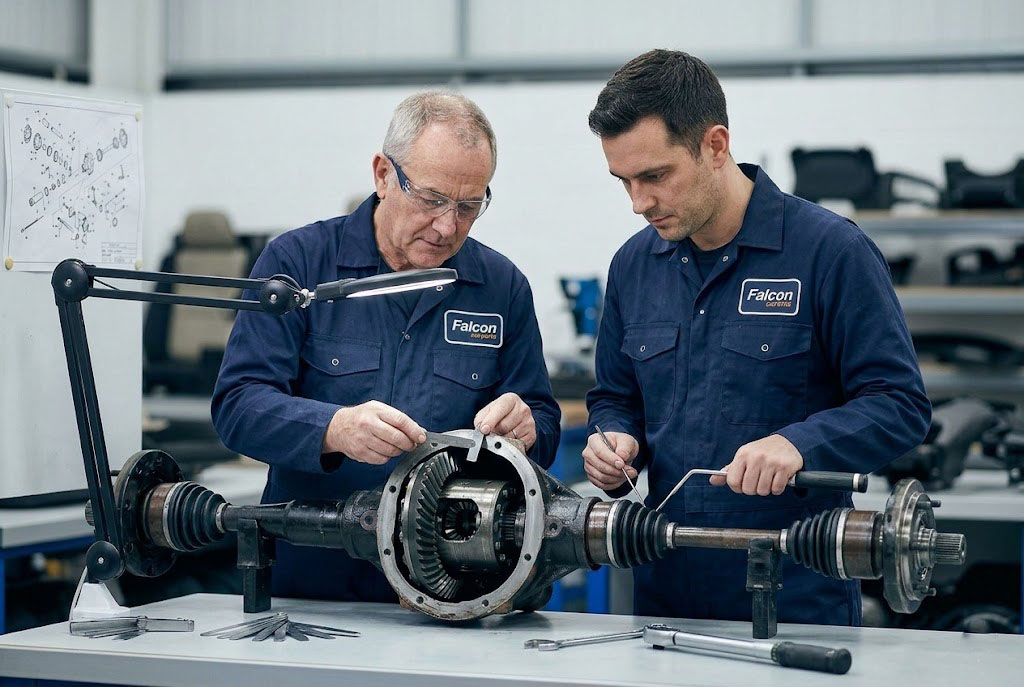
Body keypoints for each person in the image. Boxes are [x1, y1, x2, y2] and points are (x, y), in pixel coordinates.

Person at [582, 50, 930, 625]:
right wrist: (613, 440)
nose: (639, 203)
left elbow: (899, 404)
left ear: (715, 146)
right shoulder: (634, 266)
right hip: (665, 596)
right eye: (623, 181)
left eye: (655, 176)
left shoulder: (829, 252)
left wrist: (800, 444)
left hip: (797, 597)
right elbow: (617, 399)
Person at [212, 91, 560, 603]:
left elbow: (544, 426)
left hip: (454, 586)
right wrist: (333, 429)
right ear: (382, 175)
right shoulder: (299, 265)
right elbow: (238, 406)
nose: (447, 226)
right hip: (315, 584)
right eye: (431, 199)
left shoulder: (501, 287)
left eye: (469, 206)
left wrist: (529, 429)